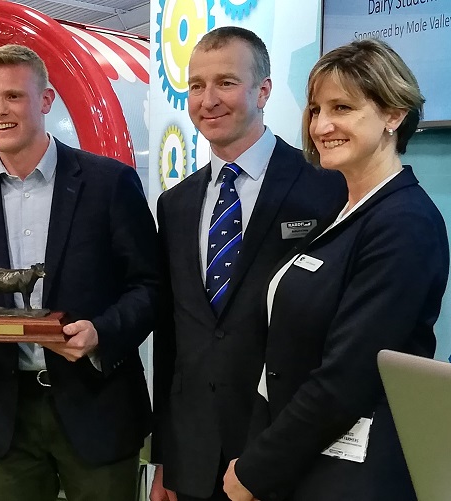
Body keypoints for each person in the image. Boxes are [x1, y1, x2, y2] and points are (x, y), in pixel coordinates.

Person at [222, 38, 449, 501]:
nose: (322, 126)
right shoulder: (344, 212)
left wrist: (256, 470)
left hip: (355, 474)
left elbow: (347, 378)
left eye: (342, 107)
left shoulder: (405, 223)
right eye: (315, 109)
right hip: (306, 461)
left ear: (393, 115)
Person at [0, 44, 158, 501]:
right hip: (7, 416)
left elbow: (150, 286)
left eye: (14, 96)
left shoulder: (108, 183)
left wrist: (101, 332)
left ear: (46, 100)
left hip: (97, 408)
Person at [151, 27, 346, 501]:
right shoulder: (175, 204)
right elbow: (172, 335)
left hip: (283, 450)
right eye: (196, 85)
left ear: (263, 90)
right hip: (194, 458)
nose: (208, 99)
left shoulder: (325, 188)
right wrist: (164, 457)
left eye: (226, 82)